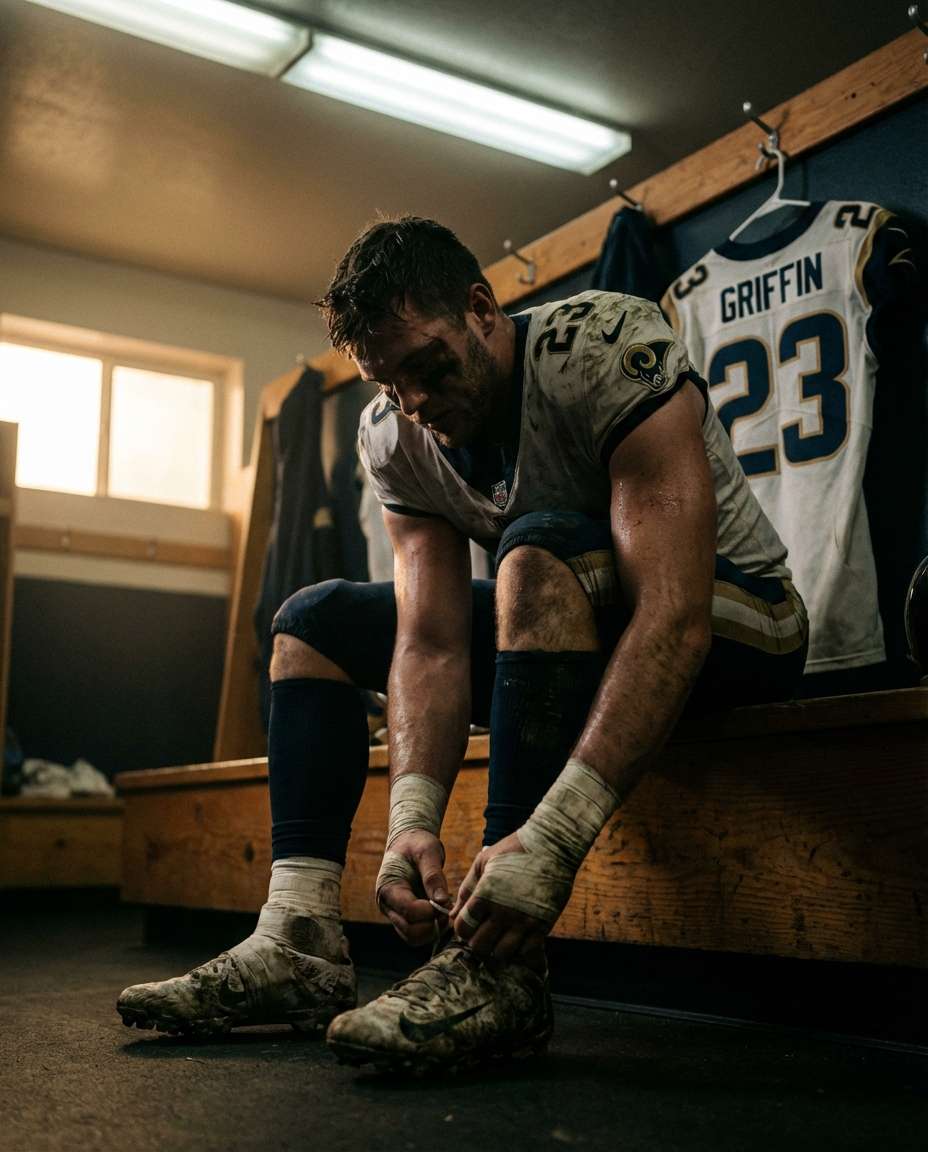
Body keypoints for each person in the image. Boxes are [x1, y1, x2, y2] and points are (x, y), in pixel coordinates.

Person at [118, 217, 807, 1072]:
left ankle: (501, 971)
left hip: (742, 621)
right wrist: (413, 822)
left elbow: (673, 617)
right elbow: (432, 642)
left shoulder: (602, 346)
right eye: (388, 382)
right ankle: (297, 941)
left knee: (537, 550)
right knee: (313, 621)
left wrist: (551, 841)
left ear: (481, 309)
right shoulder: (396, 433)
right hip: (569, 622)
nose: (414, 401)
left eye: (427, 367)